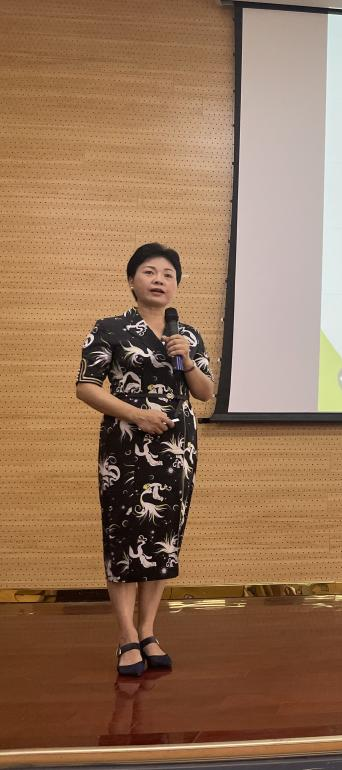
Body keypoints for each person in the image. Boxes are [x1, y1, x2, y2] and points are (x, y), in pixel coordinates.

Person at [75, 243, 215, 676]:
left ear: (176, 285)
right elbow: (86, 386)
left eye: (169, 274)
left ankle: (149, 631)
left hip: (177, 448)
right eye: (150, 271)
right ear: (132, 280)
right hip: (126, 445)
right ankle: (126, 637)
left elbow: (205, 392)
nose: (159, 280)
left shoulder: (187, 335)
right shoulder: (110, 328)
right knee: (124, 535)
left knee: (162, 537)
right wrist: (137, 415)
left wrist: (187, 360)